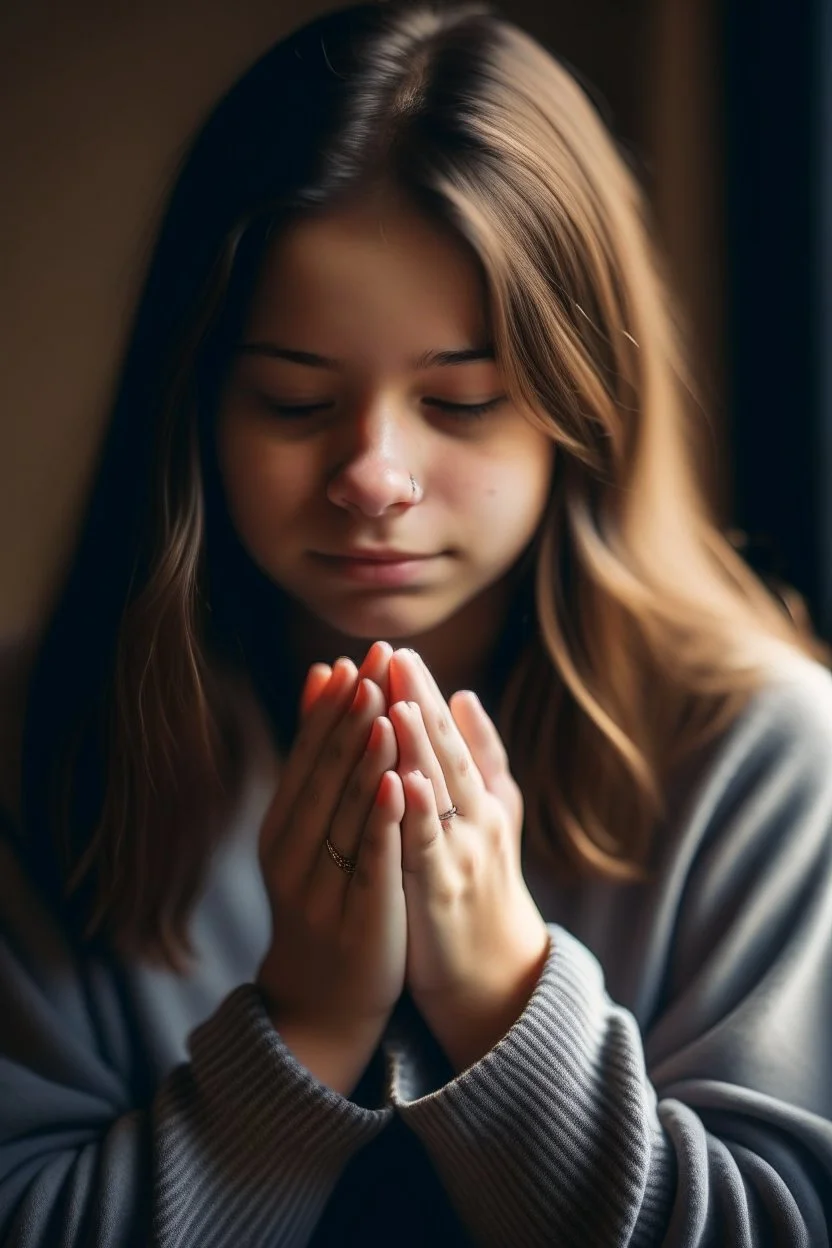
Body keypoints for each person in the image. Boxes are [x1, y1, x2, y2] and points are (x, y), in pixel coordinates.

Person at [2, 1, 832, 1243]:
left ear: (582, 409)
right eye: (294, 400)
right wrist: (306, 1027)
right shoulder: (37, 752)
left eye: (463, 401)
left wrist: (501, 990)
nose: (375, 476)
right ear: (193, 406)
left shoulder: (768, 752)